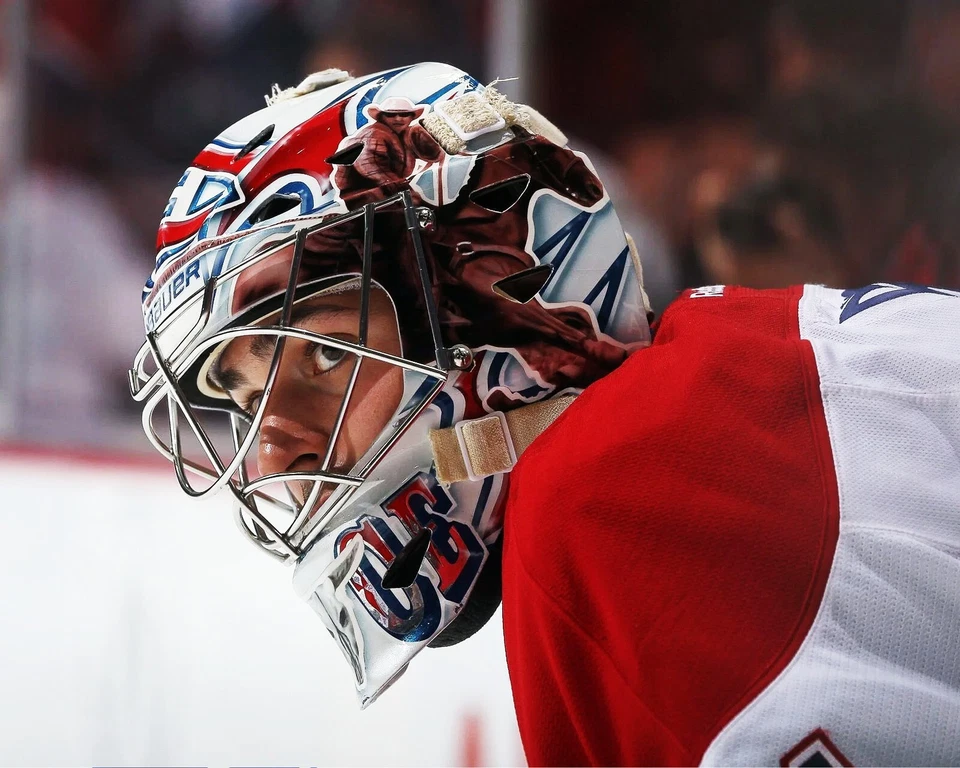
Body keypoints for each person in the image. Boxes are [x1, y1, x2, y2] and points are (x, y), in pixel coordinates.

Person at [130, 63, 960, 766]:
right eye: (243, 397)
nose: (274, 453)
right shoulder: (735, 366)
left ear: (496, 296)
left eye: (323, 358)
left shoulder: (612, 493)